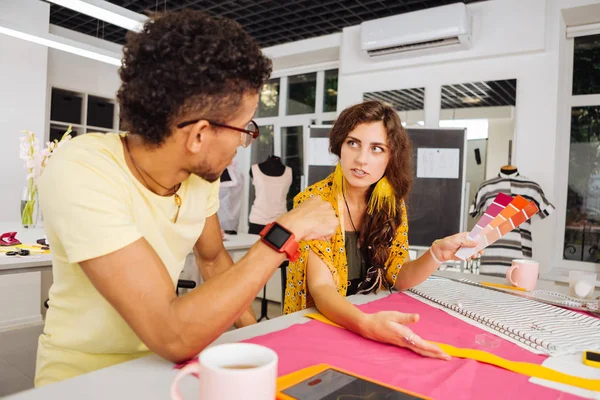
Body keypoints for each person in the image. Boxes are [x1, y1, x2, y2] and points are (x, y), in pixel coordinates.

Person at [35, 10, 338, 387]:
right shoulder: (82, 169)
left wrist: (261, 337)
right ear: (198, 136)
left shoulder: (198, 177)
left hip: (173, 370)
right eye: (244, 129)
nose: (244, 141)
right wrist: (284, 233)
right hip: (84, 379)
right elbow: (171, 333)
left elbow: (212, 260)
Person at [284, 100, 479, 361]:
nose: (361, 159)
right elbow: (321, 289)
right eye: (353, 143)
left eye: (377, 149)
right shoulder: (314, 203)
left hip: (370, 328)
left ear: (390, 157)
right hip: (321, 332)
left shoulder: (391, 204)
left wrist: (436, 254)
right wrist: (365, 324)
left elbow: (397, 275)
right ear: (340, 145)